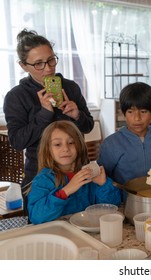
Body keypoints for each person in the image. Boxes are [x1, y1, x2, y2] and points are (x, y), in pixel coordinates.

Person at [3, 29, 94, 206]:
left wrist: (77, 115)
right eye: (39, 64)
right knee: (43, 226)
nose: (49, 68)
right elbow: (17, 142)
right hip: (39, 177)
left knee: (83, 224)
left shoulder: (70, 87)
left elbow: (88, 126)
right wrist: (44, 113)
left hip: (76, 171)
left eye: (51, 60)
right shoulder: (16, 96)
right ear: (23, 66)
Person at [27, 120, 121, 224]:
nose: (66, 149)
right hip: (58, 236)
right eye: (58, 144)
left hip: (86, 234)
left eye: (71, 143)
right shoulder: (43, 179)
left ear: (79, 145)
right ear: (48, 149)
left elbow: (111, 208)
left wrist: (103, 184)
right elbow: (36, 217)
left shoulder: (88, 174)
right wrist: (65, 191)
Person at [97, 82, 151, 192]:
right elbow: (102, 180)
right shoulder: (111, 144)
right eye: (130, 112)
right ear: (123, 113)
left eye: (143, 111)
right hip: (123, 200)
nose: (137, 118)